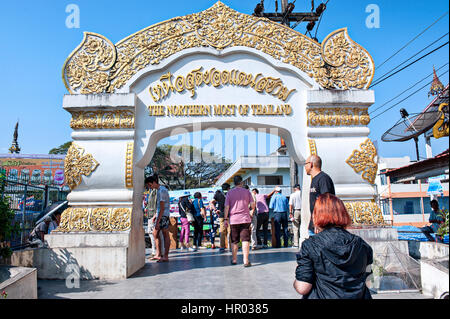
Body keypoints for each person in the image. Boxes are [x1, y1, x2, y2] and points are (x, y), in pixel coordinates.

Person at [293, 193, 373, 299]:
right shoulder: (362, 245)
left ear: (316, 215)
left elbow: (303, 287)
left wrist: (297, 278)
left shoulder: (310, 245)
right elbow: (369, 282)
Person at [224, 175, 255, 267]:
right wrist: (249, 210)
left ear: (234, 183)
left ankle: (234, 259)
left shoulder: (229, 193)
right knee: (245, 239)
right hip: (245, 219)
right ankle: (246, 261)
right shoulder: (247, 192)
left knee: (234, 241)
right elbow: (253, 205)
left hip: (233, 220)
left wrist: (226, 219)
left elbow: (226, 207)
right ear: (241, 182)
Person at [305, 155, 335, 245]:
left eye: (305, 164)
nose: (305, 167)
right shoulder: (314, 179)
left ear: (310, 164)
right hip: (313, 225)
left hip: (321, 226)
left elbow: (326, 201)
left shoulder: (323, 178)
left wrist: (319, 223)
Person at [146, 174, 171, 262]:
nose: (150, 187)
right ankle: (159, 254)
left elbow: (162, 207)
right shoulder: (160, 190)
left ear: (153, 182)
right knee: (156, 234)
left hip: (163, 215)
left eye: (150, 185)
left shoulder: (161, 191)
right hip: (162, 214)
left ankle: (165, 255)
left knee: (163, 234)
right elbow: (159, 207)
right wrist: (155, 216)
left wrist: (158, 220)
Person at [144, 184, 164, 259]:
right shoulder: (152, 191)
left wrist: (156, 214)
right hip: (151, 215)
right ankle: (158, 251)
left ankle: (156, 252)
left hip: (153, 215)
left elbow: (159, 204)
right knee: (154, 234)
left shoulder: (156, 191)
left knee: (155, 234)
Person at [210, 183, 230, 253]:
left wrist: (215, 210)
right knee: (230, 231)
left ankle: (222, 247)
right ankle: (230, 246)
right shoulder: (230, 193)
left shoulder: (218, 194)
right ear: (228, 188)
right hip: (230, 215)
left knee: (222, 231)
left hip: (221, 214)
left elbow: (211, 202)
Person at [289, 184, 302, 248]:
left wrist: (290, 213)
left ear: (295, 188)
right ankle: (303, 241)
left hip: (296, 211)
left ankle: (296, 244)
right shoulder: (303, 194)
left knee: (295, 228)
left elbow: (290, 204)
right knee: (303, 226)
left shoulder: (293, 195)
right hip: (304, 211)